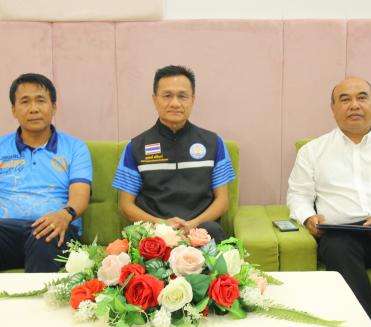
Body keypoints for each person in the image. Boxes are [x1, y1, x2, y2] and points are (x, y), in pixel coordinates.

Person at [287, 76, 371, 327]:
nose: (354, 105)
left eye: (362, 97)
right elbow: (298, 195)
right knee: (338, 248)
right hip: (343, 234)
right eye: (345, 99)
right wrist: (308, 217)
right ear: (333, 108)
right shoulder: (313, 151)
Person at [113, 65, 235, 242]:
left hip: (201, 232)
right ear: (155, 99)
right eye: (167, 96)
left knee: (212, 230)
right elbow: (125, 206)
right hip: (154, 234)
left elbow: (222, 202)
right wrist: (162, 225)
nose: (175, 103)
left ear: (193, 100)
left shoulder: (214, 143)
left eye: (182, 96)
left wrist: (192, 225)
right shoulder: (135, 147)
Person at [0, 73, 92, 272]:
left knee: (45, 236)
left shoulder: (75, 148)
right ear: (14, 110)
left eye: (40, 100)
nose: (33, 108)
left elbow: (80, 195)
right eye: (25, 101)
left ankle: (34, 294)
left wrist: (64, 215)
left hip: (56, 228)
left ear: (53, 107)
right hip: (6, 230)